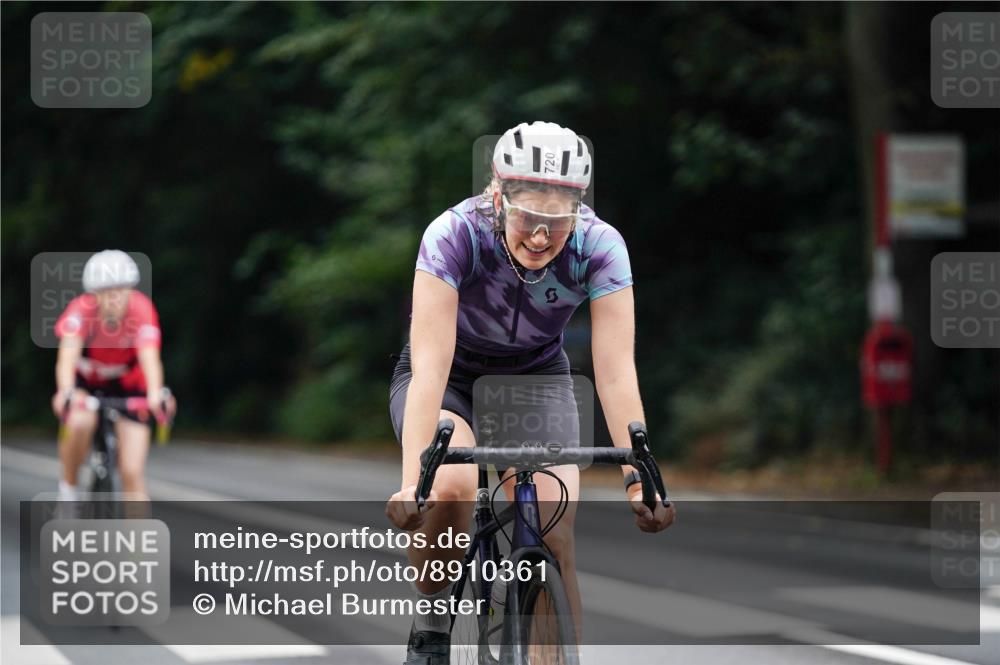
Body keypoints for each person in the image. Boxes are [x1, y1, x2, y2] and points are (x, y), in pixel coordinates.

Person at [385, 121, 676, 664]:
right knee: (451, 487)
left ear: (578, 211)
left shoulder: (599, 245)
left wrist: (639, 476)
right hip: (451, 378)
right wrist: (412, 485)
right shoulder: (454, 235)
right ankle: (431, 625)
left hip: (536, 377)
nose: (541, 237)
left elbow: (615, 371)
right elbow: (430, 367)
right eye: (527, 218)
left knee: (553, 529)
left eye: (557, 222)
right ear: (498, 198)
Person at [51, 250, 173, 503]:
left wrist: (155, 393)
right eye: (107, 291)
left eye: (121, 289)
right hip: (88, 385)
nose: (115, 298)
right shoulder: (80, 311)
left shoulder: (141, 309)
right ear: (94, 294)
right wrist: (66, 392)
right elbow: (66, 359)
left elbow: (150, 359)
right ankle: (69, 491)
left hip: (130, 388)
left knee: (131, 470)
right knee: (78, 422)